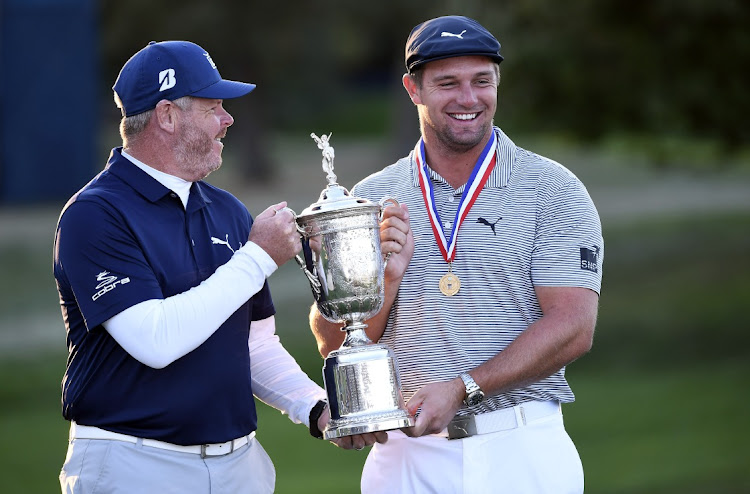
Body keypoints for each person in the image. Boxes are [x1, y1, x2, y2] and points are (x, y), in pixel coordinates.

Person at [54, 40, 384, 494]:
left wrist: (317, 406)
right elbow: (156, 340)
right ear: (167, 116)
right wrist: (258, 257)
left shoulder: (227, 210)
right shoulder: (95, 214)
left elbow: (252, 345)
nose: (227, 121)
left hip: (239, 463)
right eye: (214, 108)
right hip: (134, 464)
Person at [310, 15, 603, 494]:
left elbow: (573, 326)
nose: (468, 99)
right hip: (405, 456)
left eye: (481, 81)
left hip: (521, 447)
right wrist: (384, 281)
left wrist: (465, 387)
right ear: (413, 89)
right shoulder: (371, 197)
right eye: (448, 83)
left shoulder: (553, 189)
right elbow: (334, 339)